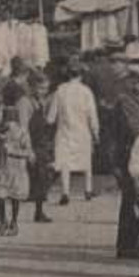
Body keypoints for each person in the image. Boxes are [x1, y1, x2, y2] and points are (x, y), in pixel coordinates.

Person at [112, 63, 139, 259]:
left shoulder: (138, 102)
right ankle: (128, 246)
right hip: (128, 158)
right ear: (132, 82)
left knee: (135, 200)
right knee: (132, 201)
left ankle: (132, 243)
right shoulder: (126, 103)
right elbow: (136, 130)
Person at [47, 61, 99, 204]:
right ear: (81, 75)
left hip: (64, 131)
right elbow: (92, 115)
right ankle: (88, 190)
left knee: (65, 162)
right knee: (86, 161)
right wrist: (96, 131)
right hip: (83, 131)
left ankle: (65, 192)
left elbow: (51, 117)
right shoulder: (86, 91)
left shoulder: (60, 90)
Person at [0, 98, 34, 237]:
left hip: (17, 170)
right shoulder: (0, 134)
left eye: (11, 122)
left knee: (14, 197)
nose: (9, 126)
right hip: (3, 170)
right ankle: (3, 222)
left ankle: (13, 223)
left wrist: (13, 151)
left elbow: (29, 153)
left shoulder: (22, 133)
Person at [22, 71, 56, 223]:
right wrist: (29, 151)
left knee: (45, 175)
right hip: (32, 143)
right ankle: (38, 210)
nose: (44, 91)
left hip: (42, 142)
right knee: (39, 177)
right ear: (31, 87)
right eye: (41, 88)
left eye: (46, 88)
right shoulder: (24, 103)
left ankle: (39, 209)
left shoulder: (40, 102)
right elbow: (23, 128)